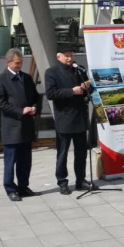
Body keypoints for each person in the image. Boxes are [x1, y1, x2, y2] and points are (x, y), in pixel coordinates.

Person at [0, 49, 42, 202]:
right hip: (12, 127)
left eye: (21, 62)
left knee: (25, 160)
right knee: (10, 160)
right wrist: (21, 111)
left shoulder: (26, 78)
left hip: (26, 126)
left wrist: (34, 107)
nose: (20, 65)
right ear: (8, 62)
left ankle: (23, 186)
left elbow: (36, 97)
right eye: (17, 63)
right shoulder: (0, 79)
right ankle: (10, 189)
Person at [44, 48, 93, 195]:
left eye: (71, 55)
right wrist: (71, 91)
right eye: (67, 56)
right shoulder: (52, 72)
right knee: (63, 153)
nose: (70, 58)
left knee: (81, 153)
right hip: (64, 118)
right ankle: (62, 182)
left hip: (80, 117)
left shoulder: (79, 70)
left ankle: (80, 180)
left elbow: (87, 92)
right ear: (59, 57)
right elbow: (51, 93)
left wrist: (86, 87)